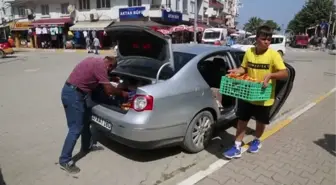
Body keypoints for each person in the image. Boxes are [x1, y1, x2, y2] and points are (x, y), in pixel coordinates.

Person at [223, 25, 288, 159]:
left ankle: (257, 140)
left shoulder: (273, 55)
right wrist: (237, 71)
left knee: (260, 121)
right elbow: (243, 68)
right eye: (264, 39)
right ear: (257, 38)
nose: (267, 42)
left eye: (269, 40)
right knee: (242, 121)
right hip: (247, 93)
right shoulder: (249, 52)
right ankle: (236, 146)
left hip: (264, 96)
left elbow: (284, 73)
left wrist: (270, 76)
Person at [59, 56, 133, 174]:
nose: (108, 73)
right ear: (109, 65)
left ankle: (87, 146)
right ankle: (65, 160)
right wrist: (123, 93)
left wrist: (111, 78)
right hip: (73, 95)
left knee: (86, 120)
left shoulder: (96, 61)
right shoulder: (100, 67)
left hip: (76, 92)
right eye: (110, 70)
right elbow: (109, 90)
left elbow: (98, 79)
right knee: (75, 128)